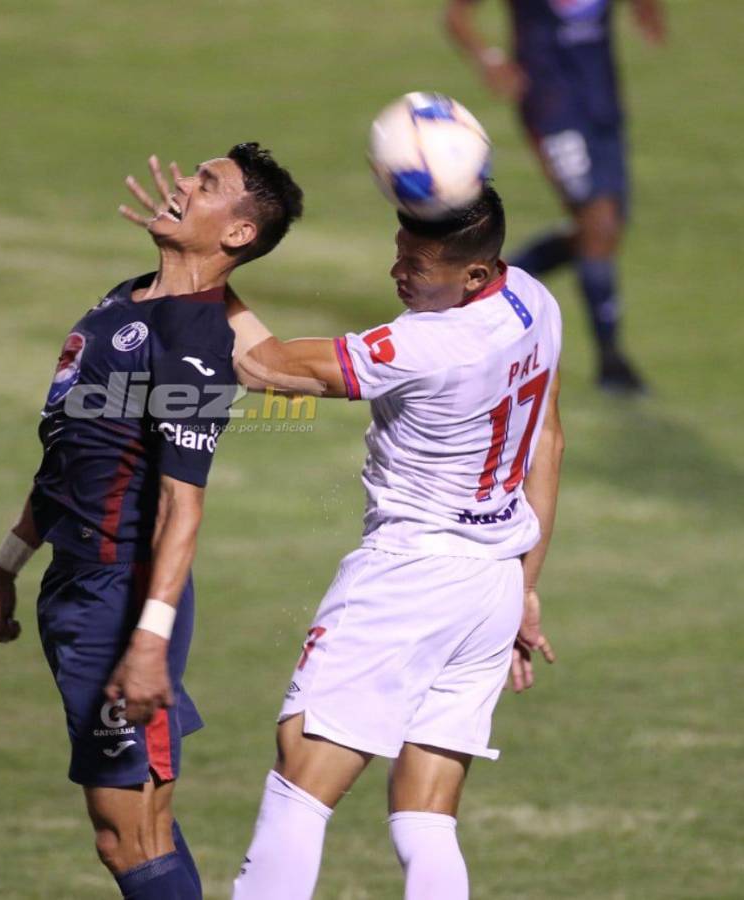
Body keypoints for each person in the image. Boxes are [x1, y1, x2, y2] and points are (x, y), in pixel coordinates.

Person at [0, 144, 304, 900]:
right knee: (138, 832)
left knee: (130, 838)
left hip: (124, 601)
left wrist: (148, 641)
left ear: (240, 234)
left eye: (206, 185)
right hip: (73, 588)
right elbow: (68, 457)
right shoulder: (121, 302)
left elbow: (182, 507)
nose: (183, 184)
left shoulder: (194, 340)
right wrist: (6, 563)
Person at [226, 186, 563, 899]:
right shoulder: (533, 300)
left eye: (419, 264)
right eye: (399, 254)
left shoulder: (423, 345)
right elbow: (547, 441)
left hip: (410, 577)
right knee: (425, 812)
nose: (397, 275)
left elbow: (264, 367)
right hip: (491, 584)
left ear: (474, 274)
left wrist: (207, 277)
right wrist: (527, 586)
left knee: (302, 779)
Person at [445, 0, 666, 393]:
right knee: (598, 223)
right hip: (553, 106)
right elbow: (457, 16)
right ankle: (611, 362)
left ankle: (481, 289)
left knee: (603, 231)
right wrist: (489, 58)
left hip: (603, 103)